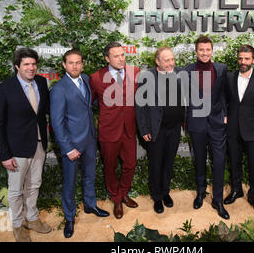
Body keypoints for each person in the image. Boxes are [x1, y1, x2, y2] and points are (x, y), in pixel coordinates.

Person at [0, 48, 51, 242]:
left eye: (33, 64)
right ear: (17, 66)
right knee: (16, 190)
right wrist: (4, 154)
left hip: (39, 143)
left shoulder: (42, 82)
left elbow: (42, 114)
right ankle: (17, 225)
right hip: (16, 148)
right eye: (26, 64)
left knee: (35, 184)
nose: (31, 67)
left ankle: (32, 218)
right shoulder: (4, 89)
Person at [50, 49, 109, 239]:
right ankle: (69, 217)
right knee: (70, 183)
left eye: (78, 62)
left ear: (82, 64)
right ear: (64, 65)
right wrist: (68, 148)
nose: (75, 66)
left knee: (89, 176)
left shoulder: (85, 78)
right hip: (72, 145)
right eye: (71, 63)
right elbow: (57, 123)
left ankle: (90, 205)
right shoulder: (59, 89)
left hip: (90, 139)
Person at [90, 42, 141, 219]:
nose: (121, 59)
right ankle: (116, 199)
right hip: (108, 131)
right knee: (110, 167)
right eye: (116, 56)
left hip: (129, 128)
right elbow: (91, 102)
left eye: (122, 55)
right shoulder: (96, 78)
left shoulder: (134, 71)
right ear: (107, 58)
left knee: (130, 164)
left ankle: (124, 192)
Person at [135, 47, 185, 214]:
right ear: (157, 61)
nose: (171, 63)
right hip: (156, 129)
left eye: (172, 59)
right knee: (156, 165)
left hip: (175, 128)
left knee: (168, 164)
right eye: (166, 60)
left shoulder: (179, 73)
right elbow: (140, 107)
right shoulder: (146, 77)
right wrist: (143, 129)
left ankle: (165, 192)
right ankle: (157, 197)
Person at [185, 35, 229, 219]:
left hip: (217, 122)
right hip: (197, 123)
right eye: (201, 50)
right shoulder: (187, 70)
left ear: (212, 51)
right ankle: (201, 192)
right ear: (196, 51)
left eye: (207, 50)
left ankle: (217, 199)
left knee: (219, 161)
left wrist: (225, 114)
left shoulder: (221, 69)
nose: (204, 53)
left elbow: (225, 94)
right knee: (200, 159)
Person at [225, 45, 254, 214]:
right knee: (234, 163)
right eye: (240, 58)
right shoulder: (229, 77)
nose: (243, 62)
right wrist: (224, 115)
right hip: (233, 130)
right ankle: (236, 190)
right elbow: (224, 100)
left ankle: (253, 194)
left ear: (253, 60)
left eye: (246, 58)